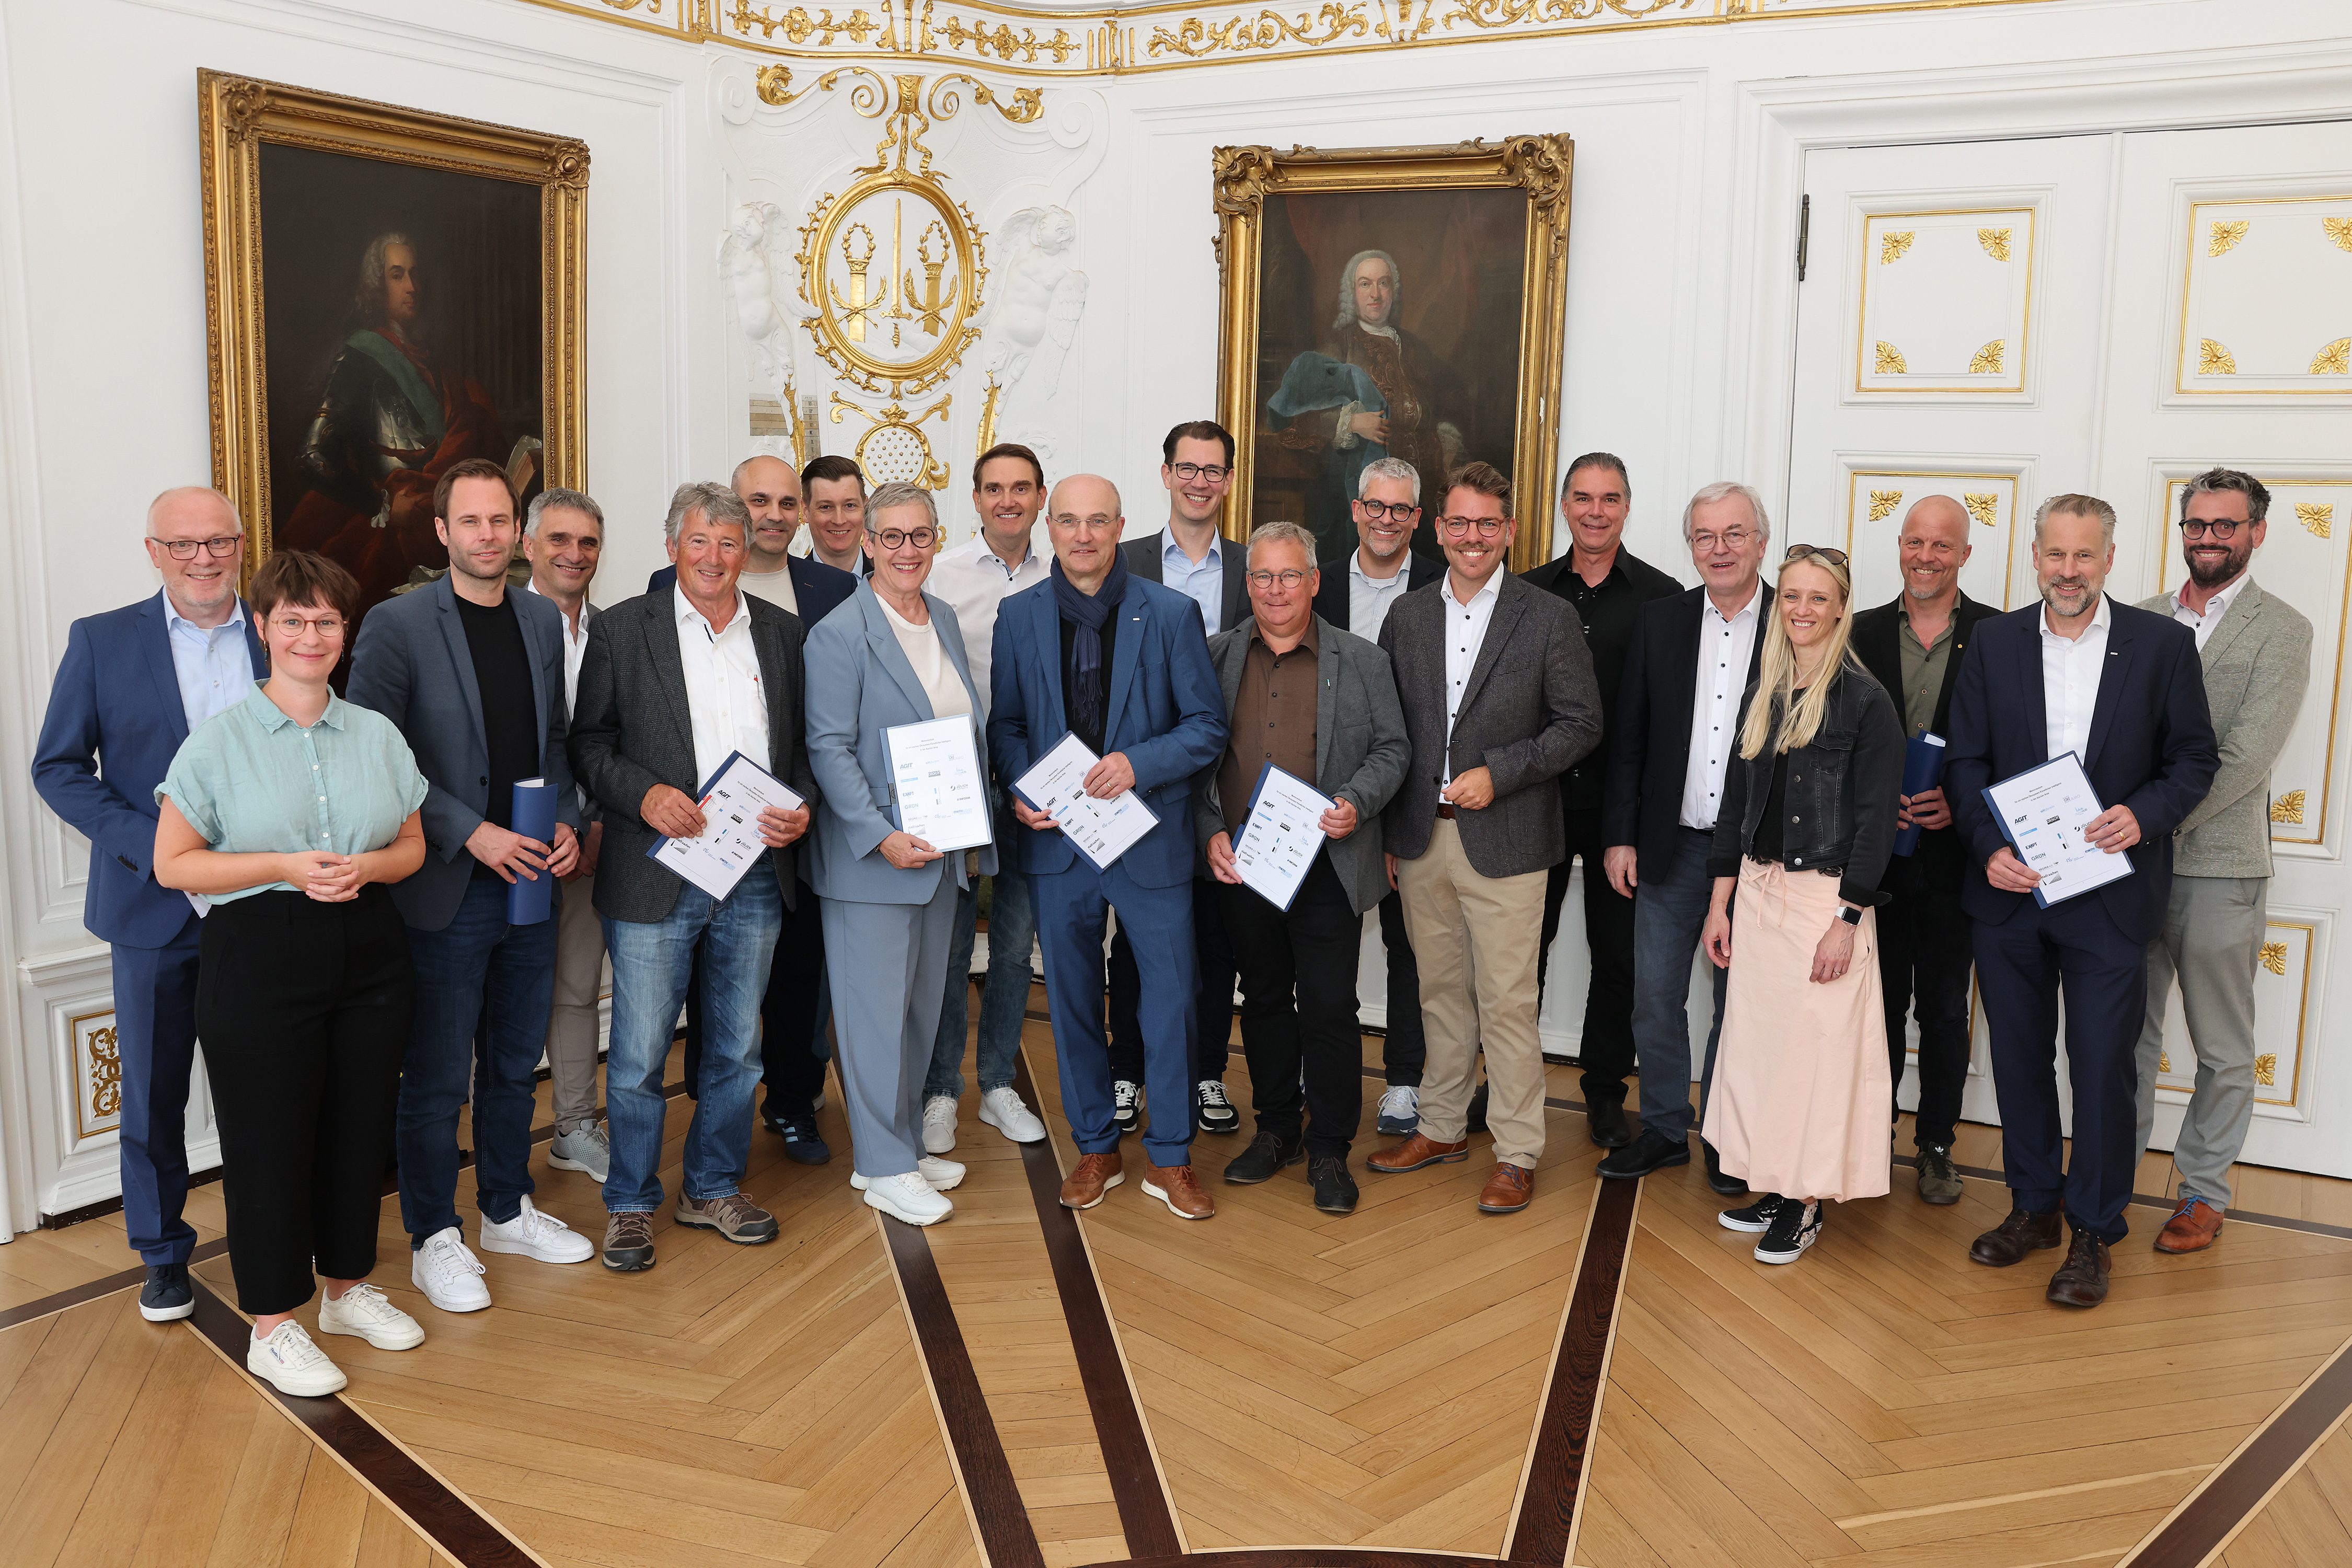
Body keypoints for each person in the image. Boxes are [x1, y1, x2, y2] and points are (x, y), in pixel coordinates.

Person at [152, 549, 430, 1396]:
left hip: (371, 946)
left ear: (346, 632)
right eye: (294, 619)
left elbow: (412, 846)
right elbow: (174, 864)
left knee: (357, 1128)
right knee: (268, 1142)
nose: (311, 634)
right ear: (264, 628)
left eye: (327, 620)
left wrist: (370, 870)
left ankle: (345, 1288)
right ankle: (272, 1322)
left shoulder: (377, 735)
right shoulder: (220, 742)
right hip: (260, 950)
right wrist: (281, 863)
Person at [1947, 494, 2217, 1308]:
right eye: (2055, 555)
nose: (2068, 571)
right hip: (2012, 895)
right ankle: (2035, 1209)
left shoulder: (2163, 646)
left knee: (2102, 1069)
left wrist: (2146, 816)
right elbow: (1965, 763)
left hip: (2109, 896)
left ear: (2108, 559)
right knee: (2021, 1062)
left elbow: (2195, 760)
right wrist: (1987, 847)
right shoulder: (1992, 641)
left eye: (2085, 557)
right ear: (2034, 556)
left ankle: (2095, 1230)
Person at [346, 457, 594, 1314]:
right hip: (445, 886)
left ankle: (502, 1208)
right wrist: (472, 831)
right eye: (472, 522)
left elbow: (554, 742)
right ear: (443, 532)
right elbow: (379, 758)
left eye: (501, 522)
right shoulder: (397, 624)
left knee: (510, 1064)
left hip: (531, 882)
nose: (489, 536)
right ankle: (433, 1237)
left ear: (518, 533)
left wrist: (561, 819)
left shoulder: (536, 618)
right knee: (439, 1072)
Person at [568, 482, 817, 1271]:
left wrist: (802, 807)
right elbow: (590, 744)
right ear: (673, 546)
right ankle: (633, 1203)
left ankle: (710, 1185)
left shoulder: (780, 634)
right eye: (700, 541)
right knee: (640, 1052)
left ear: (750, 553)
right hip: (655, 870)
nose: (715, 558)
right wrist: (644, 794)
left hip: (753, 872)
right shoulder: (622, 630)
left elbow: (804, 750)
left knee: (739, 1048)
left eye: (730, 543)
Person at [31, 487, 267, 1322]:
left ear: (242, 544)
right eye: (183, 545)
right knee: (154, 1097)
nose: (203, 559)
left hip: (261, 904)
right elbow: (56, 767)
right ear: (153, 550)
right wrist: (150, 849)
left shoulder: (282, 629)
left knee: (266, 1089)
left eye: (218, 542)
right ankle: (164, 1256)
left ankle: (271, 1244)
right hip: (150, 910)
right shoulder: (101, 642)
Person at [987, 474, 1229, 1219]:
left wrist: (1139, 764)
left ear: (1121, 527)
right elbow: (1008, 727)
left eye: (1098, 522)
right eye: (1069, 522)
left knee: (1170, 999)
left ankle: (1171, 1157)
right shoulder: (1018, 615)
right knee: (1070, 1002)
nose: (1083, 536)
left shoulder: (1171, 612)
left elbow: (1205, 727)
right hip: (1059, 843)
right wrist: (1027, 790)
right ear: (1048, 528)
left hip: (1148, 839)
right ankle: (1095, 1146)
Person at [1367, 462, 1601, 1215]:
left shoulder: (1547, 617)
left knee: (1506, 1000)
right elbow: (1389, 732)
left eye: (1488, 524)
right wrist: (1385, 833)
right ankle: (1440, 1125)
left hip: (1508, 837)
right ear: (1439, 529)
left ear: (1508, 531)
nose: (1473, 537)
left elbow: (1580, 725)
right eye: (1459, 523)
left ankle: (1518, 1149)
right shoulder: (1406, 616)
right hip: (1419, 838)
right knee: (1438, 994)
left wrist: (1499, 773)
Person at [1702, 546, 1905, 1263]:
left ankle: (1806, 1203)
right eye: (1792, 597)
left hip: (1825, 902)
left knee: (1813, 1060)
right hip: (1757, 897)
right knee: (1761, 1054)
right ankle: (1776, 1182)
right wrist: (1720, 903)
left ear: (1842, 607)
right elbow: (1737, 807)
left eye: (1819, 599)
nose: (1803, 611)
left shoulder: (1865, 701)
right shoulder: (1768, 688)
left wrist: (1847, 921)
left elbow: (1879, 822)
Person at [1200, 521, 1409, 1215]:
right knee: (1260, 1002)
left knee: (1327, 1008)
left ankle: (1328, 1149)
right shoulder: (1215, 657)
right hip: (1244, 865)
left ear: (1315, 581)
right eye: (1262, 576)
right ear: (1247, 583)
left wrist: (1357, 801)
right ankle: (1278, 1130)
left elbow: (1393, 748)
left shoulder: (1363, 660)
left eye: (1290, 575)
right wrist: (1209, 832)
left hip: (1325, 864)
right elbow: (1195, 760)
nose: (1276, 589)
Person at [804, 484, 999, 1225]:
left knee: (921, 1011)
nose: (908, 550)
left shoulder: (941, 616)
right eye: (892, 538)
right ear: (869, 544)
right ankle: (880, 1164)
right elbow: (828, 747)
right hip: (874, 859)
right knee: (873, 1015)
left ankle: (906, 1146)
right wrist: (882, 833)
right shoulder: (840, 632)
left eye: (921, 536)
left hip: (942, 854)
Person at [653, 455, 857, 1164]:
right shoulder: (668, 588)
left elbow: (829, 714)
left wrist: (805, 799)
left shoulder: (832, 587)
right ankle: (715, 1112)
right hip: (698, 835)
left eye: (786, 503)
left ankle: (794, 1102)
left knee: (800, 972)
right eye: (757, 502)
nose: (774, 514)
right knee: (713, 986)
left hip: (795, 829)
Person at [2132, 469, 2312, 1253]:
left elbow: (2246, 758)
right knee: (2121, 1037)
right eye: (2197, 525)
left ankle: (2202, 1191)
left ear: (2256, 533)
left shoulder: (2284, 630)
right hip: (2127, 864)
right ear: (2182, 530)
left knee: (2222, 1045)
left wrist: (2144, 822)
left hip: (2218, 866)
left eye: (2226, 526)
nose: (2209, 538)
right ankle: (2109, 1174)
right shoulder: (2135, 618)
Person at [1598, 482, 1774, 1193]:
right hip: (1669, 848)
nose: (1721, 549)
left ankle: (1728, 1138)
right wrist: (1620, 836)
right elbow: (1631, 737)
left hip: (1760, 860)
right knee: (1655, 996)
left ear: (1761, 542)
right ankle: (1668, 1128)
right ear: (1691, 546)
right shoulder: (1661, 620)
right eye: (1706, 536)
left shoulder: (1792, 621)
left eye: (1735, 534)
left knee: (1741, 1004)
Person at [1520, 454, 1684, 1146]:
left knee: (1617, 957)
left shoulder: (1663, 596)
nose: (1595, 511)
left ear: (1626, 507)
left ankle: (1604, 1091)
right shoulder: (1522, 592)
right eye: (1582, 498)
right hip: (1535, 801)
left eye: (1609, 498)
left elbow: (1671, 712)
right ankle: (1510, 1084)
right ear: (1564, 506)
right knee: (1521, 953)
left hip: (1623, 810)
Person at [1849, 495, 1999, 1205]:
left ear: (1965, 555)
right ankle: (1869, 1132)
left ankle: (1936, 1144)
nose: (1926, 558)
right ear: (1900, 547)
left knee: (1941, 1010)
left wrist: (1966, 803)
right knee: (1874, 1008)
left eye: (1943, 546)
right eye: (1915, 543)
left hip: (1954, 861)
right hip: (1874, 861)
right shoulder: (1861, 632)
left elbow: (2020, 746)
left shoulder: (2002, 637)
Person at [1110, 420, 1248, 1139]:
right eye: (1187, 468)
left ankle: (1205, 1074)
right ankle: (1126, 1072)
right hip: (1143, 783)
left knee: (1216, 939)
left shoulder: (1256, 567)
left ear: (1228, 480)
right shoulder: (1122, 562)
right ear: (1165, 474)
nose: (1199, 481)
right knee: (1136, 939)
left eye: (1213, 470)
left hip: (1226, 785)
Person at [921, 443, 1055, 1153]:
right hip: (958, 783)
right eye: (994, 488)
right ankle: (942, 1089)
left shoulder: (1065, 572)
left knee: (1012, 945)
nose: (1008, 500)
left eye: (1022, 488)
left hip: (1037, 782)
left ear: (1040, 496)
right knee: (947, 948)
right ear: (974, 499)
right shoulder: (937, 577)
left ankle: (998, 1082)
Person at [278, 231, 521, 619]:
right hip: (389, 537)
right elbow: (311, 456)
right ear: (377, 286)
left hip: (443, 532)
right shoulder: (357, 359)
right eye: (397, 275)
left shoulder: (434, 365)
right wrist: (382, 504)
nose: (411, 286)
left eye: (415, 274)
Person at [1311, 456, 1442, 1137]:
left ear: (1417, 519)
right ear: (1357, 509)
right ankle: (1320, 1071)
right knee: (1321, 937)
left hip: (1413, 790)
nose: (1387, 519)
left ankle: (1403, 1081)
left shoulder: (1445, 587)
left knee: (1409, 944)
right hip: (1326, 797)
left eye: (1401, 510)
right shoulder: (1319, 583)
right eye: (1375, 506)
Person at [1265, 249, 1469, 564]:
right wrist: (1349, 423)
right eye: (1365, 284)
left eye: (1383, 283)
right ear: (1352, 292)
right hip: (1361, 505)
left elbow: (1447, 403)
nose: (1375, 293)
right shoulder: (1338, 347)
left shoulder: (1414, 346)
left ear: (1394, 291)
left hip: (1423, 499)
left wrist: (1444, 436)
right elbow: (1291, 420)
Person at [524, 487, 613, 1183]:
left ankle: (575, 1125)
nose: (573, 554)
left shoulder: (615, 633)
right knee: (506, 997)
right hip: (511, 847)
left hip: (596, 845)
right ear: (529, 545)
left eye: (586, 543)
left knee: (578, 989)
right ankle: (499, 1141)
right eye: (558, 540)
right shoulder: (502, 625)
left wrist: (598, 827)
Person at [803, 455, 870, 575]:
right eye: (826, 507)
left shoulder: (895, 582)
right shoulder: (788, 586)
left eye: (850, 506)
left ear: (865, 508)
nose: (839, 521)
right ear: (805, 512)